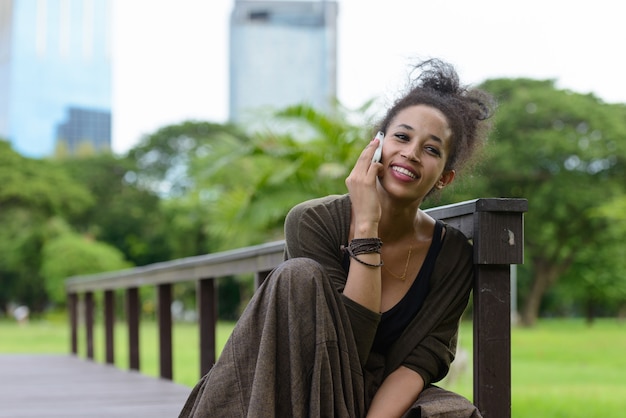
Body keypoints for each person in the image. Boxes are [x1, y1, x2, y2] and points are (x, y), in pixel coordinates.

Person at [179, 58, 495, 418]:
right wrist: (366, 228)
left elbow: (420, 363)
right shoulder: (313, 221)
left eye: (431, 149)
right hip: (302, 382)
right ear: (376, 145)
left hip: (376, 397)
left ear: (444, 178)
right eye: (402, 137)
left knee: (454, 413)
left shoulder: (451, 254)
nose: (410, 153)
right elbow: (346, 347)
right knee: (297, 276)